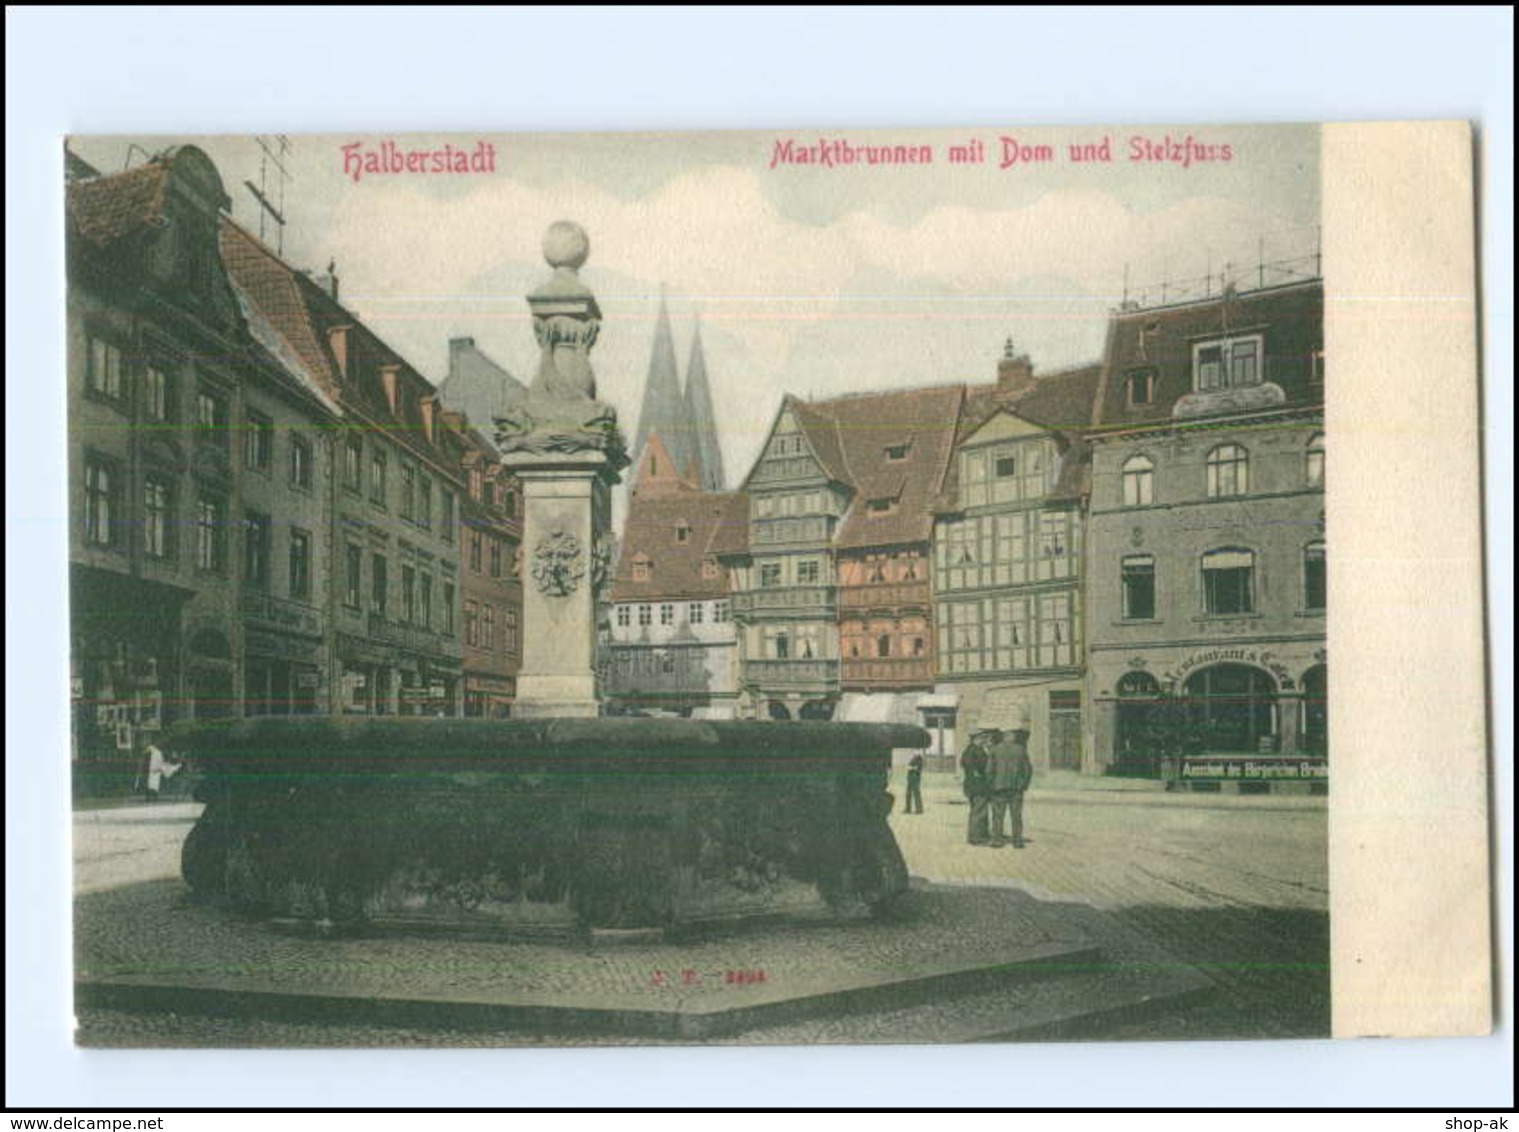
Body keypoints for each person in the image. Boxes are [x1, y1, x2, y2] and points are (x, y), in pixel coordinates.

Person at [986, 727, 1034, 848]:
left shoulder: (994, 750)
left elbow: (989, 770)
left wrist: (990, 784)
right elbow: (1028, 770)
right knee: (1016, 816)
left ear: (1003, 737)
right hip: (1016, 788)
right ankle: (1017, 841)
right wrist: (1024, 784)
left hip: (998, 788)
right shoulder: (1020, 750)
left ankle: (997, 840)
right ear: (1012, 738)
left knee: (998, 815)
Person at [959, 731, 993, 845]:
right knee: (979, 811)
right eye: (982, 738)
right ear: (976, 739)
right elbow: (983, 767)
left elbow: (964, 764)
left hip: (970, 785)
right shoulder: (977, 751)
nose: (983, 741)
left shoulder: (967, 751)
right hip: (979, 785)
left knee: (977, 810)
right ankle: (976, 837)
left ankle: (979, 835)